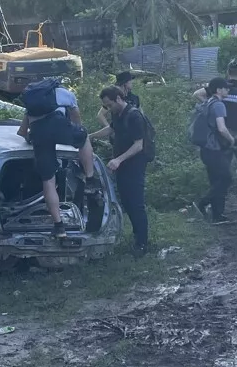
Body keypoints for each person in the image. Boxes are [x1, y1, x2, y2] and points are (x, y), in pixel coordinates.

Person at [17, 81, 98, 237]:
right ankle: (90, 180)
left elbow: (21, 132)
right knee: (83, 136)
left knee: (48, 181)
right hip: (58, 125)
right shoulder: (64, 94)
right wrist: (74, 132)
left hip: (39, 133)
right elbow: (76, 120)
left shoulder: (32, 105)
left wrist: (31, 138)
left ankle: (59, 227)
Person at [195, 61, 237, 216]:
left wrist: (207, 105)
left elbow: (197, 94)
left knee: (222, 174)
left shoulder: (223, 88)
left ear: (228, 72)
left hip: (221, 137)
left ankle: (219, 210)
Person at [90, 86, 151, 254]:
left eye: (109, 105)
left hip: (134, 164)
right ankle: (137, 236)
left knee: (135, 203)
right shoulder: (117, 114)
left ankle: (142, 243)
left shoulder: (134, 116)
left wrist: (118, 159)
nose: (108, 109)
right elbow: (111, 129)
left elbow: (139, 145)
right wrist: (91, 136)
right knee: (126, 201)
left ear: (118, 98)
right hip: (122, 165)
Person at [193, 77, 236, 224]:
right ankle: (203, 203)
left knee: (216, 181)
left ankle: (217, 216)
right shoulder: (218, 105)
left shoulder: (207, 102)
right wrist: (232, 140)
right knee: (226, 178)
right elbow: (222, 128)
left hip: (205, 149)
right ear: (218, 90)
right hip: (214, 149)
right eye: (226, 88)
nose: (228, 90)